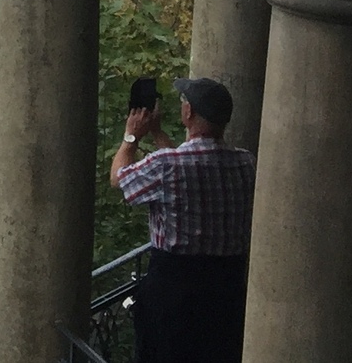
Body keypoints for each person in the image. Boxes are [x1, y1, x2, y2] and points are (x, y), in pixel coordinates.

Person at [110, 77, 257, 363]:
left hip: (174, 295)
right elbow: (187, 164)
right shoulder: (246, 163)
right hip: (227, 292)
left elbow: (119, 179)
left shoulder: (167, 166)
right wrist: (158, 134)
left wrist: (131, 136)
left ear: (188, 112)